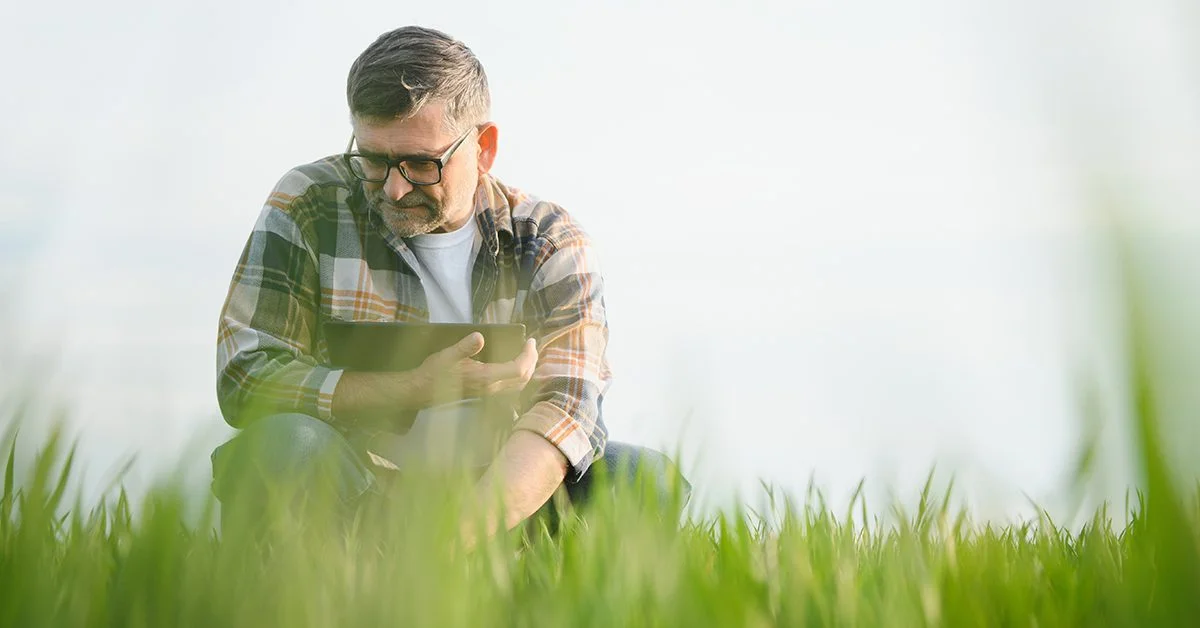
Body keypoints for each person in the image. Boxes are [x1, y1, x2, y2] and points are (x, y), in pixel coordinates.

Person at [210, 25, 690, 541]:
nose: (393, 190)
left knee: (641, 480)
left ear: (484, 148)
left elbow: (567, 413)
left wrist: (455, 537)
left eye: (421, 164)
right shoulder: (308, 202)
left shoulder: (550, 240)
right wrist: (412, 387)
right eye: (373, 160)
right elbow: (247, 377)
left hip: (497, 504)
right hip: (351, 494)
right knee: (283, 445)